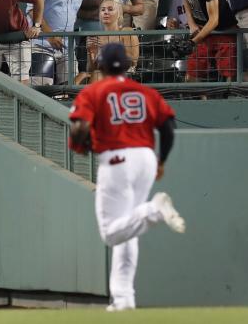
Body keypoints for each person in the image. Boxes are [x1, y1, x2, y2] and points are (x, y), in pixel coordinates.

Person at [68, 42, 185, 312]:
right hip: (145, 157)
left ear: (102, 65)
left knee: (111, 233)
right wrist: (162, 160)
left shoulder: (95, 90)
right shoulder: (145, 92)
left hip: (117, 159)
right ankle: (124, 300)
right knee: (127, 232)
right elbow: (168, 128)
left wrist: (81, 146)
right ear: (128, 65)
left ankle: (154, 210)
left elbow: (78, 127)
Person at [84, 0, 140, 84]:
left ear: (119, 13)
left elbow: (133, 61)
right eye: (103, 10)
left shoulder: (127, 32)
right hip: (100, 75)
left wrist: (108, 47)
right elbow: (91, 70)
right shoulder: (95, 37)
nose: (106, 12)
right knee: (81, 77)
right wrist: (91, 52)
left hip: (123, 74)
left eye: (110, 9)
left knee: (97, 75)